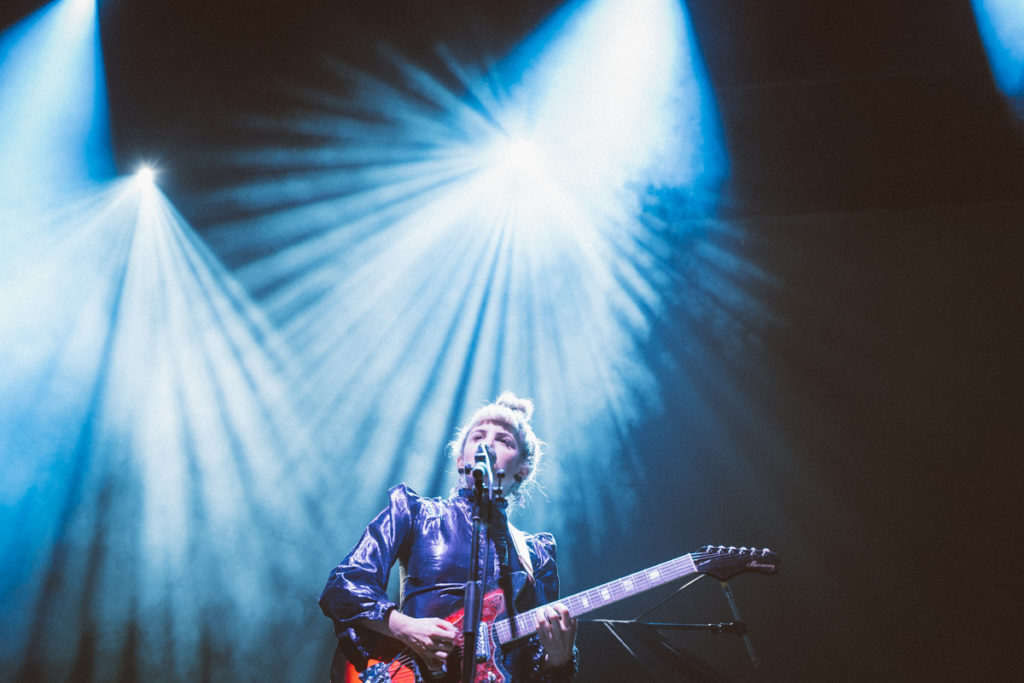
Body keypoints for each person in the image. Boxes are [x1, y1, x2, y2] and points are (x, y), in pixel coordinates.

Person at [319, 392, 578, 682]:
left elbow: (532, 662)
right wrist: (404, 627)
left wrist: (558, 659)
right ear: (460, 459)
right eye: (478, 436)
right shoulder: (415, 512)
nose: (488, 444)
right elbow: (345, 585)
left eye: (504, 440)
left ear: (522, 470)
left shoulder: (536, 554)